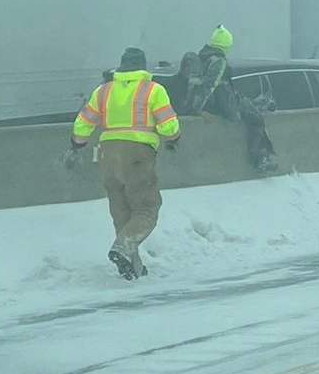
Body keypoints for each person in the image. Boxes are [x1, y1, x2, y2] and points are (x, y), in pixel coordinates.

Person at [71, 47, 180, 280]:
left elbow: (82, 123)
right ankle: (124, 246)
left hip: (107, 154)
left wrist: (78, 144)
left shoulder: (103, 91)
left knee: (121, 211)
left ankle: (133, 266)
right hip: (138, 154)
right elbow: (168, 126)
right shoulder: (153, 90)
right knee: (146, 208)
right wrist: (173, 138)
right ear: (143, 67)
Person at [188, 25, 278, 174]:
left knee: (253, 105)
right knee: (256, 120)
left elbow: (194, 84)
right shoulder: (219, 61)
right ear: (226, 46)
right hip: (224, 105)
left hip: (216, 103)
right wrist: (199, 111)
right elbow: (209, 86)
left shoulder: (202, 57)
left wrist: (193, 107)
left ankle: (263, 155)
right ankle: (259, 158)